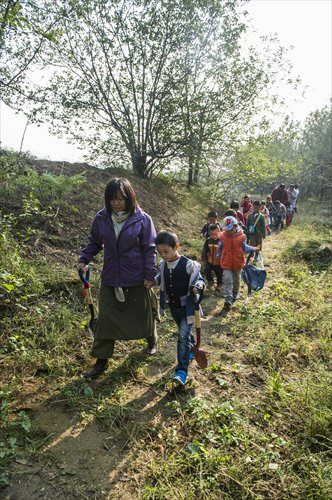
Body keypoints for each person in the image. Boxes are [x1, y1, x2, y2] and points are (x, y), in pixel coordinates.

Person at [78, 177, 158, 379]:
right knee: (105, 319)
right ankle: (101, 361)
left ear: (129, 197)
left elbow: (150, 249)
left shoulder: (143, 219)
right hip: (111, 276)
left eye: (120, 198)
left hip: (137, 277)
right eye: (112, 199)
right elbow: (95, 242)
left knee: (143, 312)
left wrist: (150, 275)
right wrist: (84, 258)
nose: (116, 203)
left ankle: (151, 340)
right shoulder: (102, 218)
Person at [155, 230, 205, 386]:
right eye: (160, 252)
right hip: (174, 306)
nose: (163, 255)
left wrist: (199, 286)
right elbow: (160, 277)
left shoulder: (188, 264)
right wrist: (153, 281)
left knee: (182, 337)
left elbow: (199, 279)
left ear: (176, 247)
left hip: (189, 308)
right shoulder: (163, 264)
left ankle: (181, 371)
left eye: (166, 251)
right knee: (184, 333)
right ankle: (190, 350)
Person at [218, 216, 258, 310]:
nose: (228, 231)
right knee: (228, 280)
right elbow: (220, 248)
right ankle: (227, 299)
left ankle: (235, 293)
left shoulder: (242, 236)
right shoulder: (223, 236)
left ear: (235, 226)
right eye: (226, 229)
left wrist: (253, 248)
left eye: (230, 229)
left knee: (236, 280)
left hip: (238, 263)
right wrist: (218, 257)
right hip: (226, 262)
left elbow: (244, 247)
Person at [201, 224, 223, 291]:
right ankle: (210, 282)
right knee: (207, 270)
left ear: (219, 232)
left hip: (219, 262)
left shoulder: (222, 241)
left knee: (219, 274)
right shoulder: (208, 240)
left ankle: (219, 284)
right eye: (212, 234)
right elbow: (204, 250)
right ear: (209, 233)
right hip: (210, 260)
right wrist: (204, 259)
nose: (214, 236)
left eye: (216, 234)